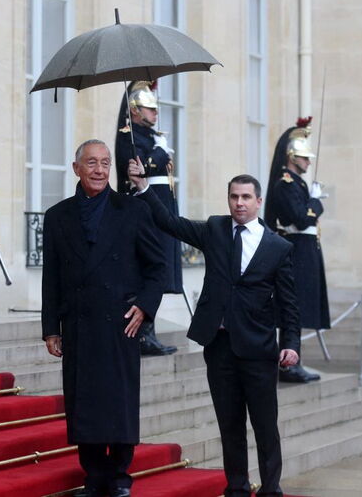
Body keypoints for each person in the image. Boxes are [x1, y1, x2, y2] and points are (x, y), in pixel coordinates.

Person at [129, 159, 300, 497]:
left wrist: (291, 342)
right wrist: (144, 187)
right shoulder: (215, 229)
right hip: (219, 347)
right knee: (230, 425)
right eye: (234, 196)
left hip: (259, 349)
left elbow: (289, 302)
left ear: (258, 201)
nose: (239, 203)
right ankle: (236, 488)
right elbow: (170, 223)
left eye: (246, 197)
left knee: (265, 427)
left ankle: (271, 489)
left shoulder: (279, 247)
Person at [42, 140, 166, 497]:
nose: (99, 170)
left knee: (119, 402)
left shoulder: (132, 210)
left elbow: (158, 267)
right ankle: (94, 476)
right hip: (79, 325)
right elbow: (52, 277)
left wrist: (144, 307)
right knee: (84, 403)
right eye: (91, 163)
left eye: (105, 163)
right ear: (76, 168)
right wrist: (51, 328)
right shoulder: (57, 216)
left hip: (120, 322)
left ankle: (120, 478)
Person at [114, 81, 179, 356]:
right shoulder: (130, 136)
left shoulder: (151, 136)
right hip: (146, 212)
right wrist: (160, 152)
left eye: (154, 108)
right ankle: (143, 333)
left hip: (160, 210)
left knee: (161, 270)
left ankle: (149, 332)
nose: (155, 114)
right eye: (149, 109)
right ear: (135, 110)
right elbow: (139, 170)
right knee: (150, 272)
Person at [263, 117, 329, 383]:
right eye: (304, 157)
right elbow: (301, 218)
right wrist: (316, 202)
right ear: (291, 157)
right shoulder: (285, 184)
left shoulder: (297, 184)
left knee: (298, 309)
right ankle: (289, 364)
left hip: (306, 250)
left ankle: (292, 361)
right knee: (293, 309)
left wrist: (312, 203)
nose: (308, 162)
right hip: (297, 251)